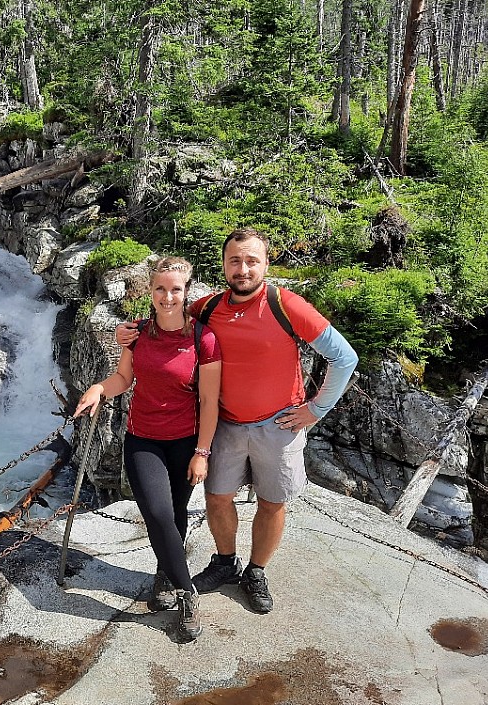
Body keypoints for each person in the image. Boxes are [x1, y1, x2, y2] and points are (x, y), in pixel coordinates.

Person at [116, 228, 358, 614]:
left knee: (272, 501)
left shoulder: (287, 305)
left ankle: (256, 571)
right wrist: (128, 332)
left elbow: (345, 358)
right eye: (234, 261)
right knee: (217, 496)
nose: (242, 269)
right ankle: (225, 563)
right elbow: (169, 315)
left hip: (280, 423)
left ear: (266, 264)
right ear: (224, 265)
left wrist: (316, 409)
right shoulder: (209, 308)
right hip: (225, 422)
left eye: (251, 261)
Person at [74, 256, 221, 642]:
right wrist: (99, 389)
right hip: (143, 438)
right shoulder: (137, 333)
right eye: (160, 288)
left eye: (175, 289)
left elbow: (210, 401)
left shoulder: (203, 339)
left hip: (186, 441)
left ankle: (163, 574)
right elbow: (124, 377)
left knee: (173, 513)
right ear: (150, 290)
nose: (167, 296)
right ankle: (188, 593)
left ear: (187, 292)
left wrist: (202, 452)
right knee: (156, 511)